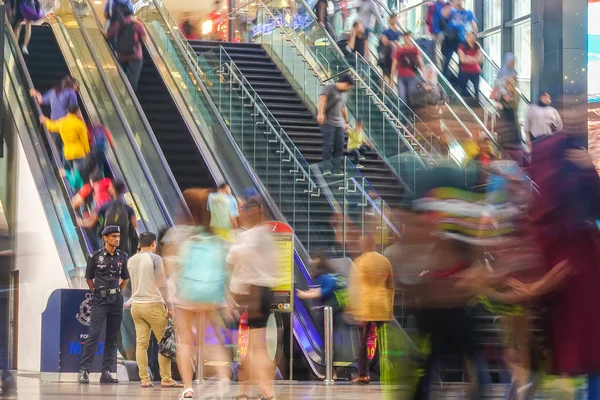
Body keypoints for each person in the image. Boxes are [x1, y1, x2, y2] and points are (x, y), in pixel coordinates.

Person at [506, 134, 600, 400]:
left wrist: (528, 290)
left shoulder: (561, 221)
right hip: (561, 331)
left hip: (568, 330)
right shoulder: (550, 218)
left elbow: (567, 267)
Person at [227, 197, 277, 400]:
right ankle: (245, 391)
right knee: (255, 346)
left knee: (252, 347)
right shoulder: (265, 235)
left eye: (244, 209)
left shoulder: (250, 237)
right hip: (262, 292)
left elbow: (232, 259)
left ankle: (266, 391)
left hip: (251, 294)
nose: (242, 213)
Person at [127, 232, 182, 388]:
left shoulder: (131, 260)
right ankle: (166, 378)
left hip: (136, 306)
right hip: (153, 304)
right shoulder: (155, 258)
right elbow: (162, 284)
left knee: (141, 344)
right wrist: (170, 307)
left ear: (139, 244)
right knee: (163, 342)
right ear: (153, 243)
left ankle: (144, 379)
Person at [78, 225, 130, 384]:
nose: (117, 239)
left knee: (112, 337)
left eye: (118, 236)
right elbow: (89, 278)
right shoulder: (95, 257)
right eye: (113, 236)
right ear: (105, 238)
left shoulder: (123, 256)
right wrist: (97, 291)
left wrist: (118, 292)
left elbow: (125, 278)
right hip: (100, 300)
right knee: (93, 335)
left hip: (116, 300)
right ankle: (84, 371)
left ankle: (106, 372)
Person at [348, 234, 394, 384]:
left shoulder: (360, 262)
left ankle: (363, 374)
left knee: (363, 342)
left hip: (367, 306)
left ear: (364, 245)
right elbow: (390, 285)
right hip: (382, 305)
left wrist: (355, 309)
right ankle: (381, 372)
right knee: (381, 341)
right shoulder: (385, 261)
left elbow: (355, 288)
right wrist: (390, 308)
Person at [77, 180, 138, 255]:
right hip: (123, 246)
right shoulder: (129, 209)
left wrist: (80, 222)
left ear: (112, 189)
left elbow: (91, 223)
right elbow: (134, 226)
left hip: (107, 245)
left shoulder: (105, 206)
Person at [317, 74, 354, 176]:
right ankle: (326, 168)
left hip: (339, 123)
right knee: (328, 145)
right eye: (348, 86)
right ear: (345, 83)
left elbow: (343, 107)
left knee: (339, 146)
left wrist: (346, 122)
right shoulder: (330, 87)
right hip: (328, 121)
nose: (349, 88)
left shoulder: (344, 93)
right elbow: (322, 99)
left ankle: (337, 169)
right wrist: (320, 113)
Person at [39, 104, 90, 174]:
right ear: (77, 111)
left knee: (71, 174)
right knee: (79, 176)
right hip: (79, 153)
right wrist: (87, 154)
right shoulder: (80, 124)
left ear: (67, 110)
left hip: (67, 153)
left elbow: (51, 127)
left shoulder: (62, 122)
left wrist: (46, 120)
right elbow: (85, 141)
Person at [105, 8, 147, 91]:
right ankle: (130, 97)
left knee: (119, 75)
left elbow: (108, 35)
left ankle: (118, 92)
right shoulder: (137, 24)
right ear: (132, 14)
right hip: (135, 55)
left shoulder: (117, 24)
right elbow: (144, 38)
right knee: (133, 77)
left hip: (121, 55)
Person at [410, 65, 448, 151]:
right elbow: (413, 99)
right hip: (422, 115)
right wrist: (425, 91)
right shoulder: (417, 83)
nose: (430, 74)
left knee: (439, 136)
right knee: (425, 136)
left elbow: (444, 97)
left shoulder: (437, 85)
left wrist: (442, 105)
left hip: (435, 116)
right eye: (429, 72)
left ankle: (442, 153)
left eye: (432, 72)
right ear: (425, 72)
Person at [441, 0, 478, 78]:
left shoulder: (469, 12)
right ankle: (443, 75)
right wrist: (453, 5)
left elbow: (474, 25)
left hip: (461, 39)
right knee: (447, 57)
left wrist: (474, 38)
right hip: (450, 38)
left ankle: (461, 78)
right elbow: (443, 14)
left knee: (462, 60)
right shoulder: (452, 10)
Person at [391, 31, 423, 105]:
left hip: (412, 76)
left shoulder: (415, 49)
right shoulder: (399, 50)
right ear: (403, 38)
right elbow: (394, 64)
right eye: (405, 36)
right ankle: (403, 114)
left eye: (408, 36)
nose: (407, 38)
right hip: (401, 76)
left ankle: (410, 115)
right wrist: (391, 79)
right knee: (402, 98)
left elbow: (420, 62)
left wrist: (423, 74)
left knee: (411, 96)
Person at [457, 31, 482, 99]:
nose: (471, 38)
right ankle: (463, 101)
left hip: (475, 70)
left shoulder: (477, 46)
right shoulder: (461, 46)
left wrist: (468, 57)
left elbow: (480, 59)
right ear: (466, 37)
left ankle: (477, 102)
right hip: (465, 70)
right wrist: (474, 58)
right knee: (462, 87)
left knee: (476, 88)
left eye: (473, 36)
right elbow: (463, 60)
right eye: (469, 36)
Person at [426, 0, 450, 68]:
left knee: (437, 48)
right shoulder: (433, 5)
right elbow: (428, 18)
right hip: (435, 30)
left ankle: (440, 65)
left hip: (441, 30)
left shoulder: (444, 5)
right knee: (436, 48)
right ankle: (439, 65)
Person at [378, 15, 401, 86]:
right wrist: (392, 42)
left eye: (395, 18)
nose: (393, 20)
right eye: (392, 18)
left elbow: (402, 44)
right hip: (387, 54)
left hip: (395, 55)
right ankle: (389, 81)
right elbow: (384, 41)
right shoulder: (385, 31)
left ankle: (391, 81)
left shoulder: (399, 32)